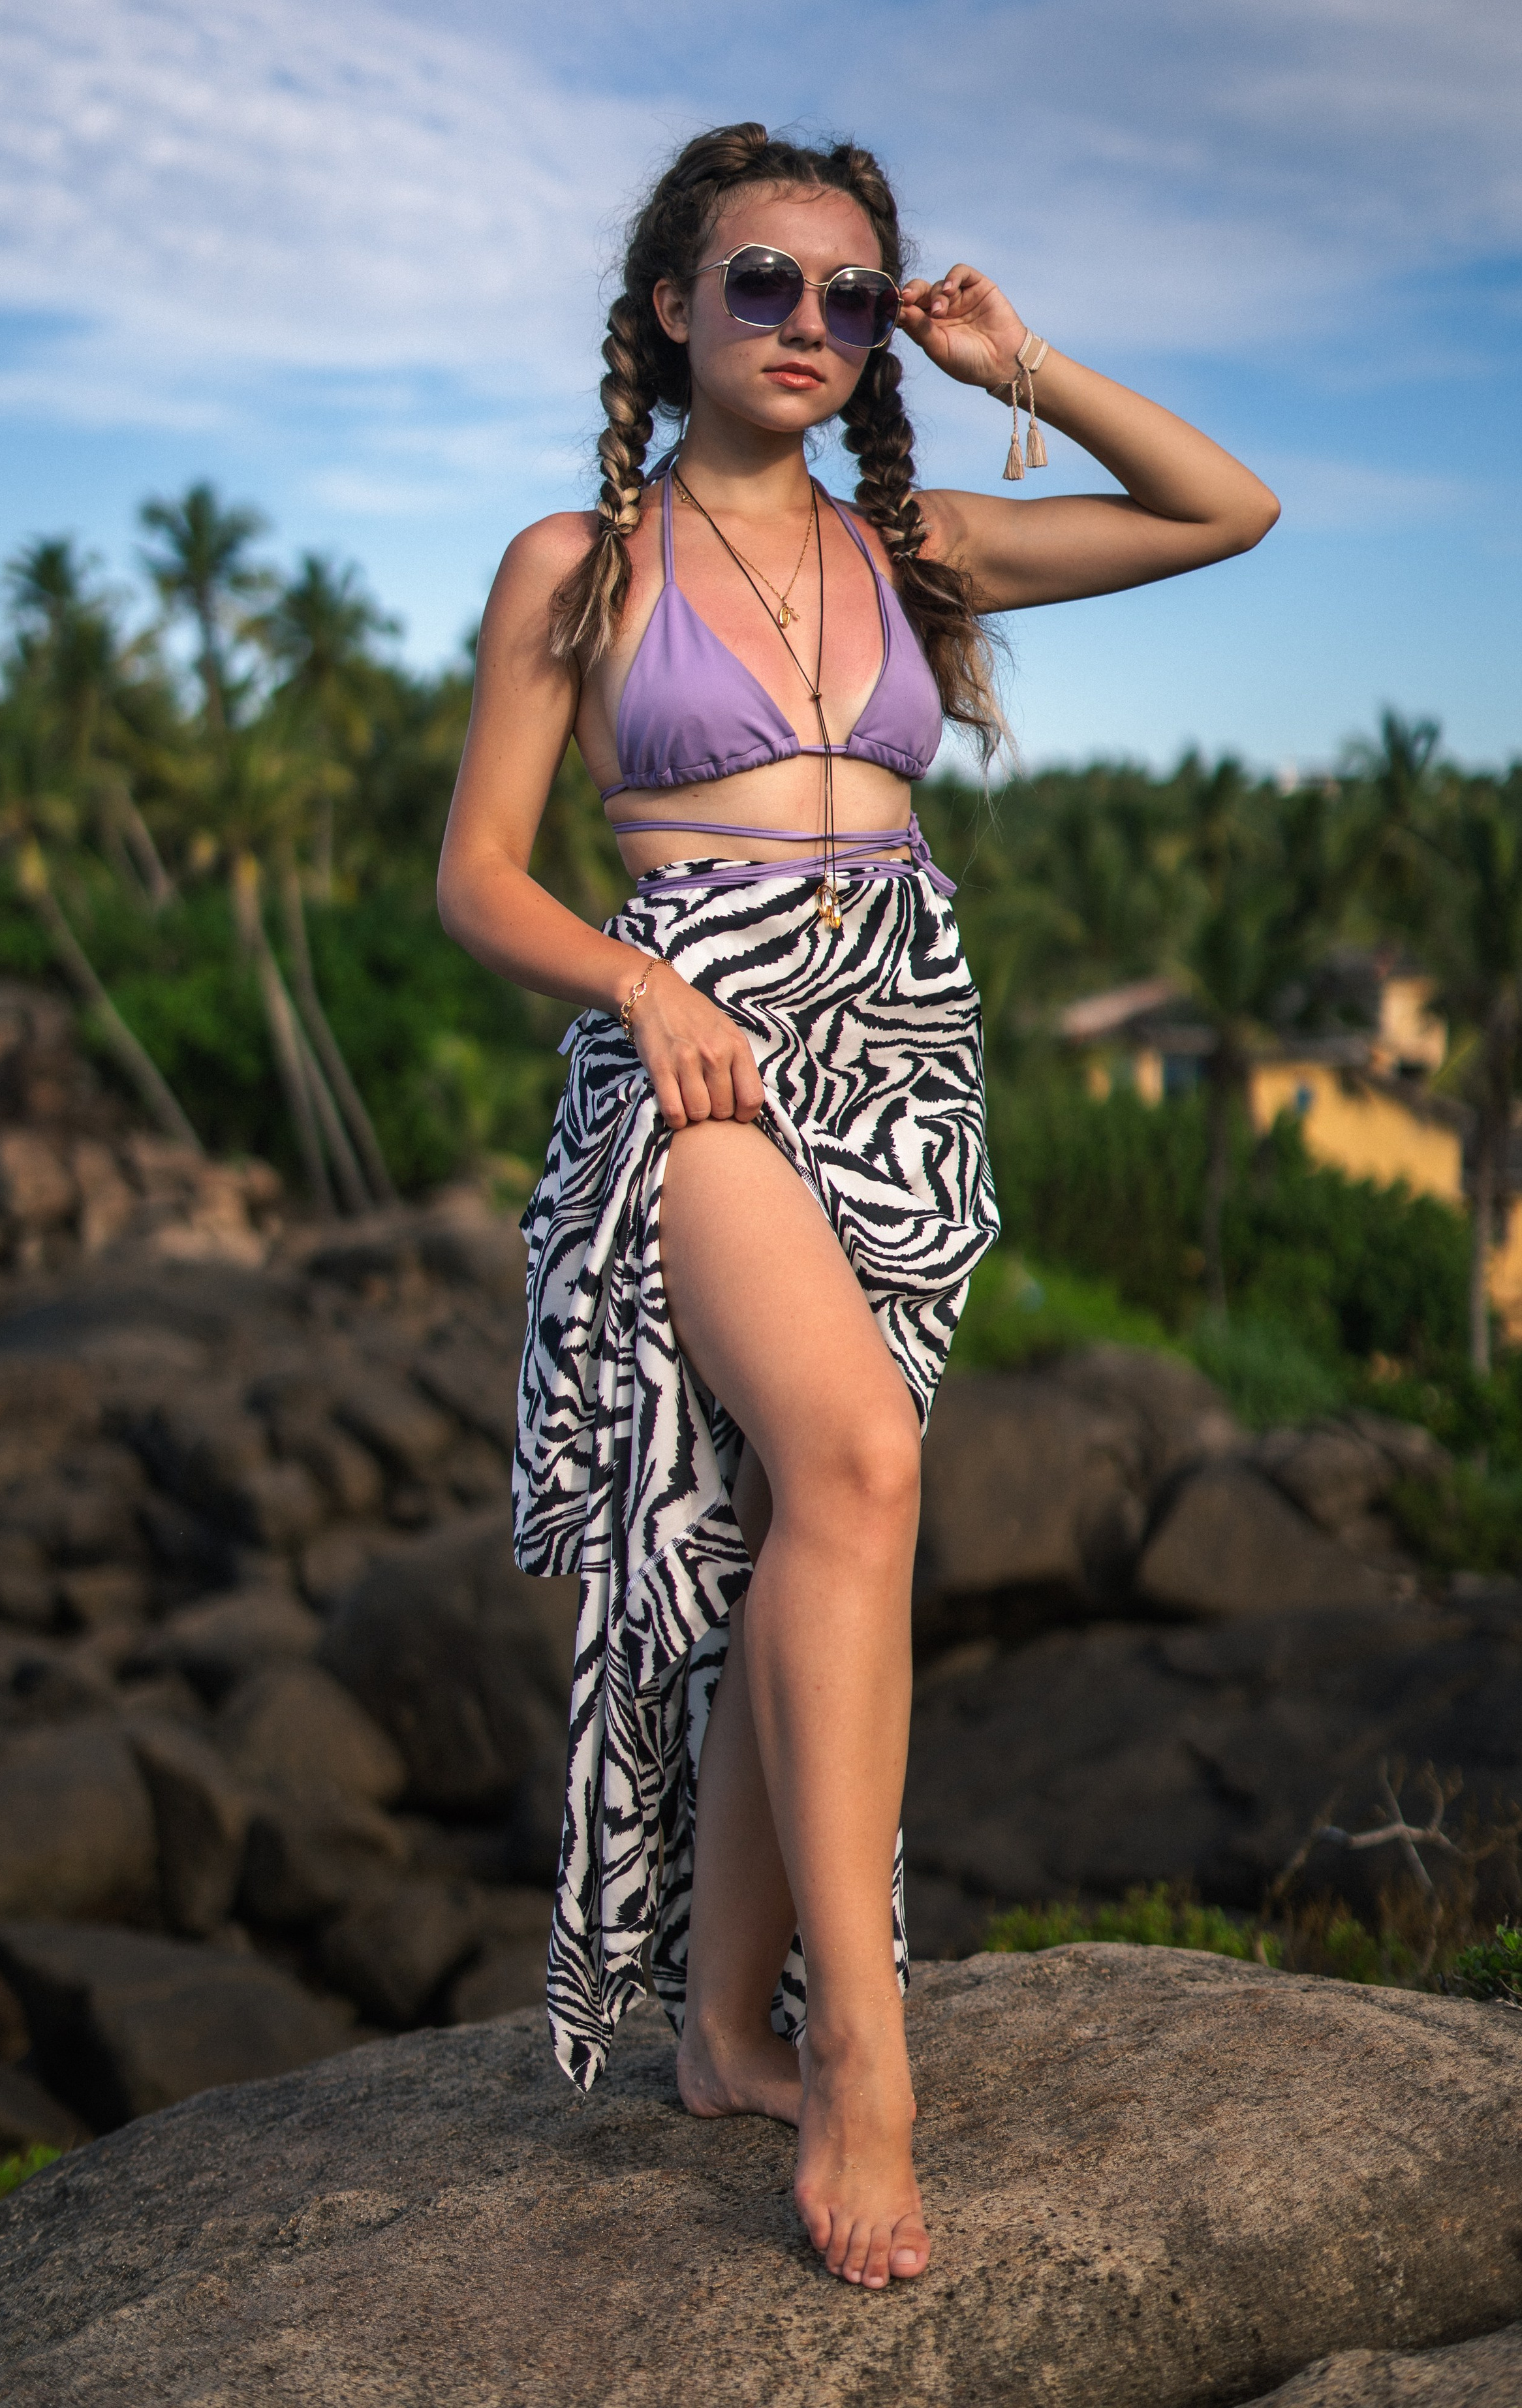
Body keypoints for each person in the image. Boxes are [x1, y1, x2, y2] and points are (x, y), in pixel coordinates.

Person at [437, 121, 1277, 2293]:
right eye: (760, 284)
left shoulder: (919, 548)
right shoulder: (578, 563)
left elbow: (1228, 508)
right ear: (670, 312)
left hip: (897, 1056)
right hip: (695, 1035)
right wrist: (636, 980)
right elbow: (478, 880)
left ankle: (724, 2030)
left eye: (847, 291)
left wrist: (1021, 356)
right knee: (859, 1462)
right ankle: (863, 2053)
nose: (806, 322)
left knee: (776, 1525)